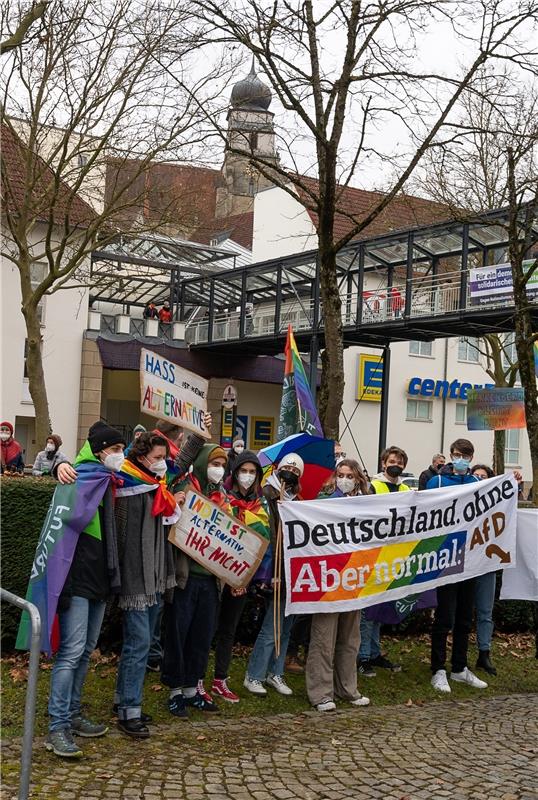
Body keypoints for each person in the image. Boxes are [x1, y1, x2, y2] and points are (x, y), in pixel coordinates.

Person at [45, 421, 126, 758]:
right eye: (116, 450)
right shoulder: (82, 475)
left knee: (85, 649)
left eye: (123, 450)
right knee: (71, 652)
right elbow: (63, 486)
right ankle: (57, 727)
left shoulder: (107, 480)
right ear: (99, 450)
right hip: (77, 578)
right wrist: (56, 464)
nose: (120, 456)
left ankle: (74, 714)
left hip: (100, 577)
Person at [113, 432, 182, 738]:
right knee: (138, 644)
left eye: (164, 458)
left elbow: (183, 460)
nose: (163, 463)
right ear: (141, 458)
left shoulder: (157, 485)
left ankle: (123, 702)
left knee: (141, 644)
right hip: (135, 581)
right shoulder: (125, 483)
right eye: (157, 458)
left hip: (155, 577)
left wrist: (197, 428)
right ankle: (130, 711)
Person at [161, 443, 229, 718]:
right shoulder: (182, 486)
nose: (219, 470)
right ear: (202, 463)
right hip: (185, 578)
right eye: (214, 463)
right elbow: (172, 469)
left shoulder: (222, 496)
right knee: (178, 634)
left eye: (223, 465)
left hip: (210, 581)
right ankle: (175, 691)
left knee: (201, 636)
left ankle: (192, 689)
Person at [306, 459, 370, 712]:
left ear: (358, 479)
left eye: (349, 475)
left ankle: (347, 688)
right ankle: (321, 693)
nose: (344, 479)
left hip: (355, 578)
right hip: (329, 579)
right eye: (341, 474)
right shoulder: (324, 502)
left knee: (350, 638)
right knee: (324, 637)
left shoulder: (368, 504)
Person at [426, 438, 487, 693]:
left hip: (471, 558)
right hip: (446, 557)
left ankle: (459, 667)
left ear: (471, 458)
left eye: (465, 455)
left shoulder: (476, 483)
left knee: (464, 617)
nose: (460, 458)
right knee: (444, 616)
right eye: (456, 454)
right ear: (450, 456)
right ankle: (438, 669)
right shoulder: (437, 481)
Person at [209, 450, 270, 703]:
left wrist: (244, 579)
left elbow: (262, 544)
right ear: (234, 474)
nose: (247, 476)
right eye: (243, 471)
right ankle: (196, 681)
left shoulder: (262, 504)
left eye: (252, 472)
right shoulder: (222, 499)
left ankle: (220, 679)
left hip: (240, 580)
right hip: (215, 575)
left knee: (228, 631)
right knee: (207, 629)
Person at [243, 452, 304, 697]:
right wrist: (270, 573)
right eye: (288, 466)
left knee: (286, 627)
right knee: (272, 627)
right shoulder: (267, 495)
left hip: (293, 571)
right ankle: (254, 674)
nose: (291, 471)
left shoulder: (296, 499)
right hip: (275, 570)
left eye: (296, 469)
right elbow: (266, 533)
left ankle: (275, 672)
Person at [358, 446, 408, 676]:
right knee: (368, 611)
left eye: (399, 461)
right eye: (391, 461)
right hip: (374, 554)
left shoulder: (407, 488)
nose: (395, 464)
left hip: (395, 555)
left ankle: (375, 652)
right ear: (383, 463)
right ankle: (363, 656)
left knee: (382, 609)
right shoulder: (373, 487)